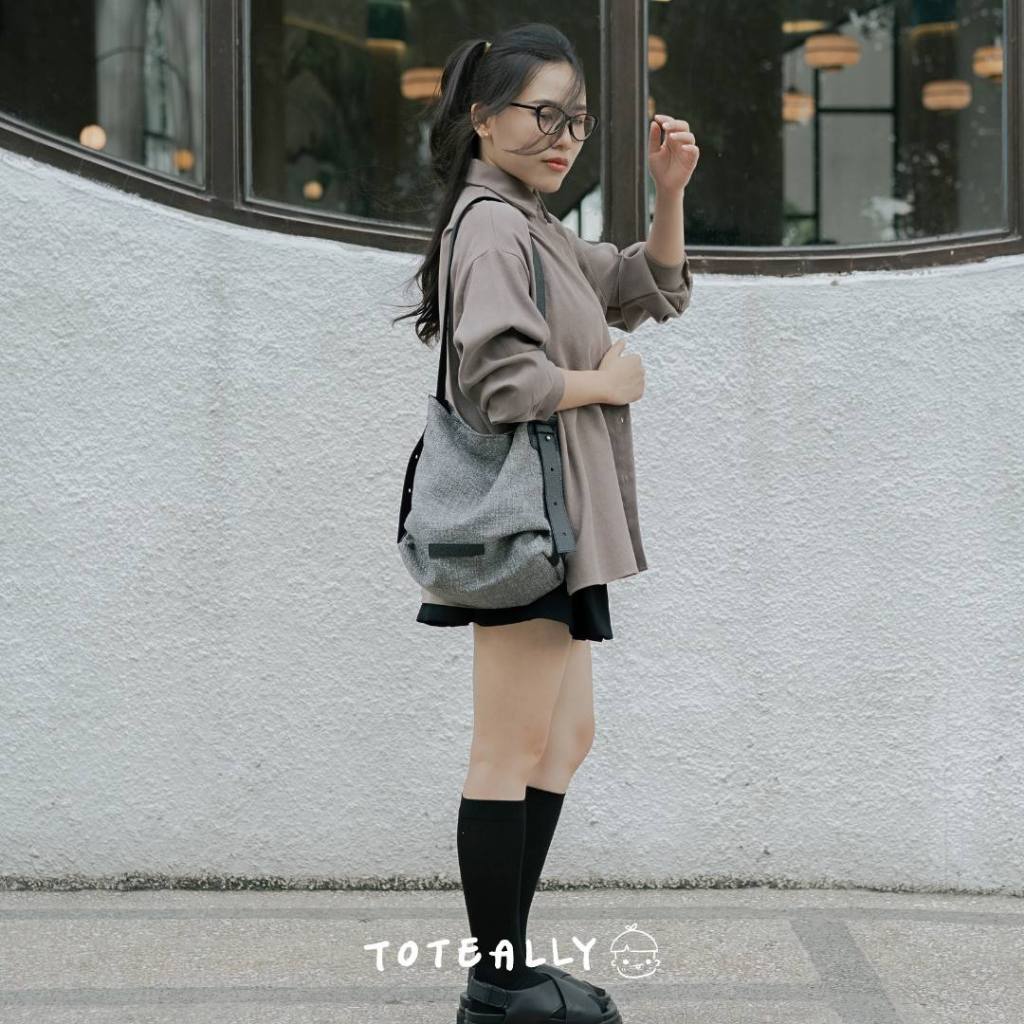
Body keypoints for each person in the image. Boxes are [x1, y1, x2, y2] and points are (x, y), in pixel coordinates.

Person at [393, 21, 698, 1024]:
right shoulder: (488, 225)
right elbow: (499, 381)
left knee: (563, 737)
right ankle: (497, 984)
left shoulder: (531, 223)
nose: (563, 137)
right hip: (524, 518)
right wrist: (604, 381)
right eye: (543, 114)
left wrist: (667, 194)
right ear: (484, 118)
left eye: (577, 120)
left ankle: (509, 966)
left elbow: (641, 286)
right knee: (510, 746)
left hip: (560, 517)